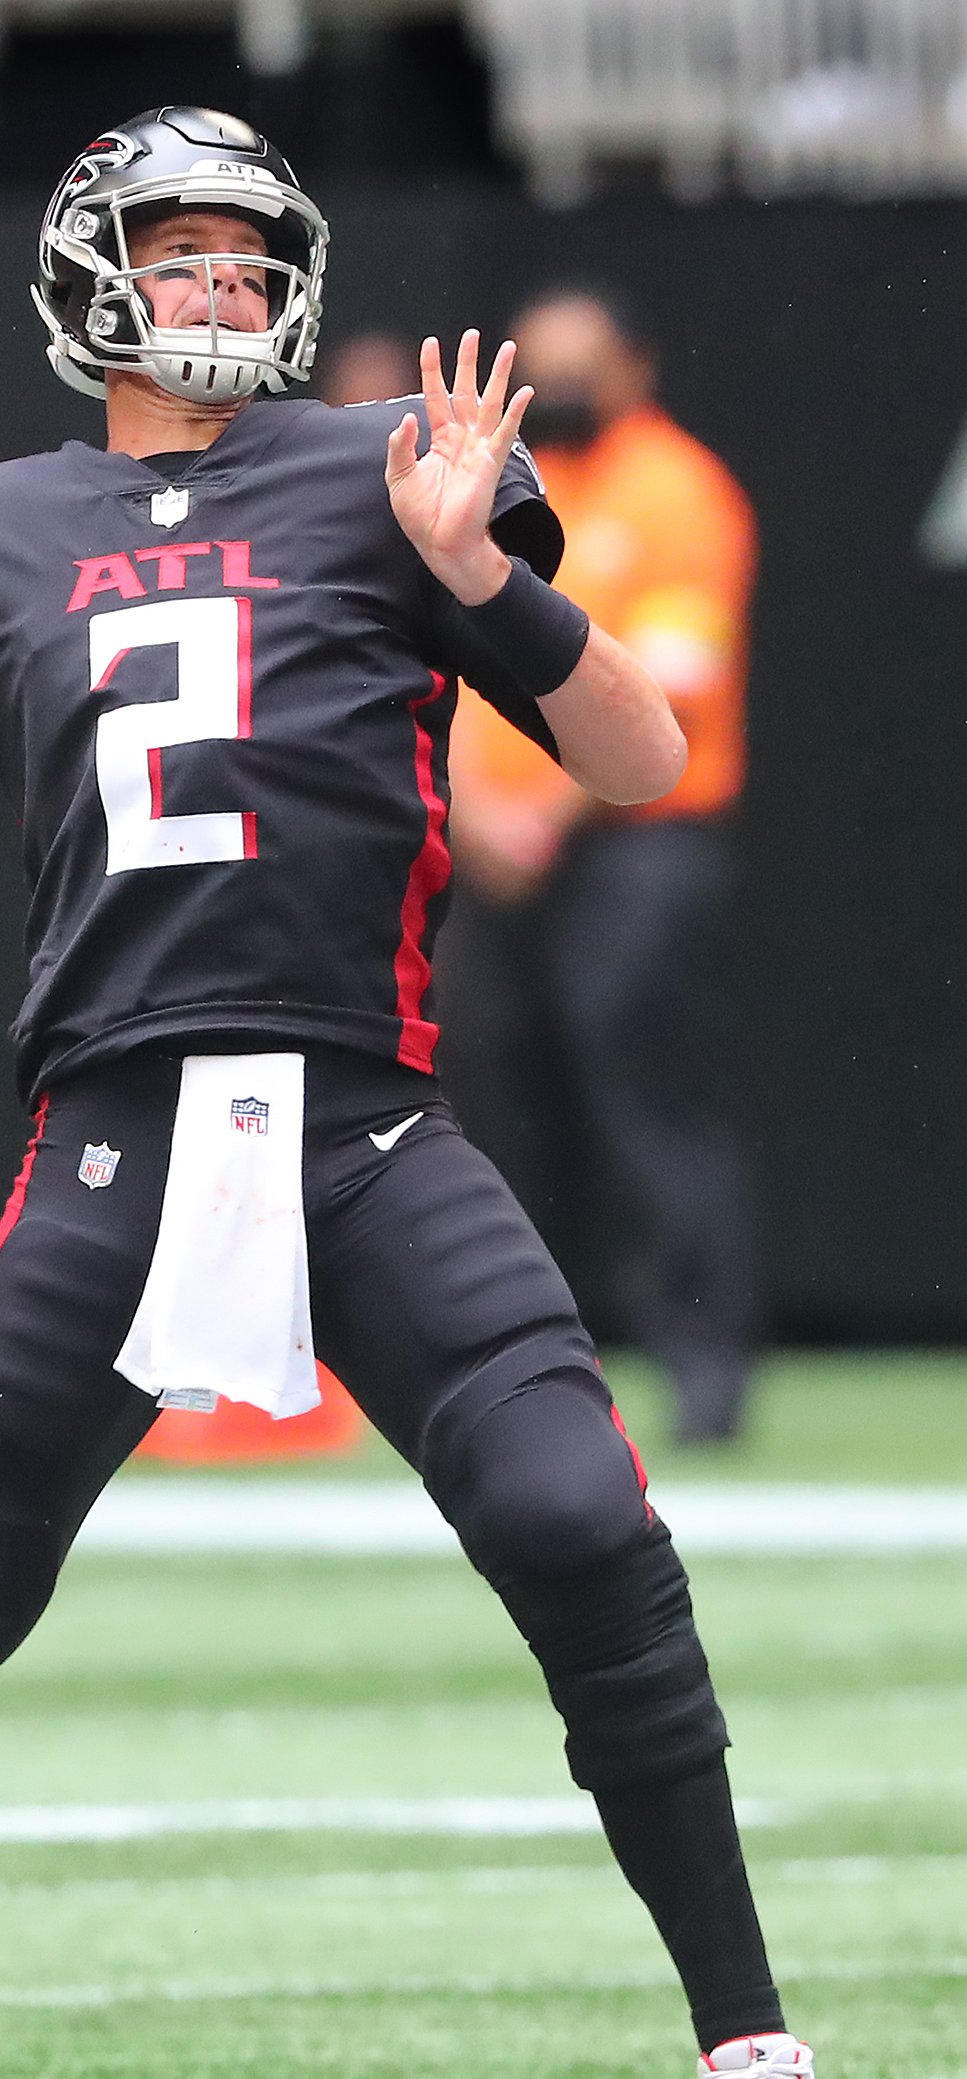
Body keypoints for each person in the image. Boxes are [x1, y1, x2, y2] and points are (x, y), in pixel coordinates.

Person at [0, 107, 858, 2079]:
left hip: (364, 1124)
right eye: (182, 255)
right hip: (112, 1138)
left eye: (253, 261)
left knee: (586, 1535)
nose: (226, 293)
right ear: (91, 277)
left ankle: (755, 2068)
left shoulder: (389, 478)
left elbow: (632, 760)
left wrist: (478, 582)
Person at [440, 291, 759, 1443]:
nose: (563, 384)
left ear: (634, 365)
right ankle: (517, 1370)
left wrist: (544, 814)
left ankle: (700, 1372)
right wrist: (476, 811)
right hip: (490, 854)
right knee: (485, 1113)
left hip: (634, 845)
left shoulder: (676, 490)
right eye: (545, 364)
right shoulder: (513, 491)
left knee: (648, 1102)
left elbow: (672, 682)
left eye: (582, 363)